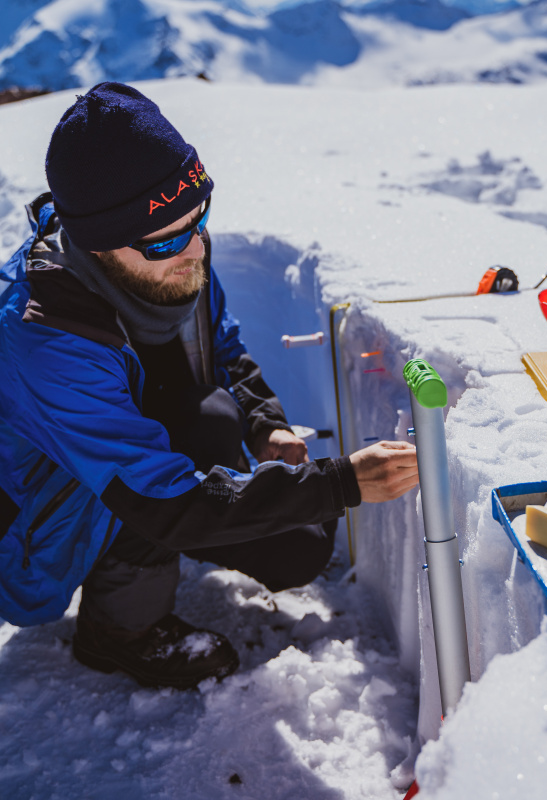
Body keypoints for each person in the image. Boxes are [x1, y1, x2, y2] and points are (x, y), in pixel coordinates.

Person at [0, 82, 419, 690]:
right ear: (97, 242)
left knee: (296, 547)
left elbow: (220, 347)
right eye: (169, 237)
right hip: (35, 539)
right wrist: (343, 482)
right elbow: (165, 502)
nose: (195, 248)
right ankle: (118, 635)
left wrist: (263, 420)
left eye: (199, 219)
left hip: (124, 464)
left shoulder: (172, 249)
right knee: (172, 493)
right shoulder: (46, 341)